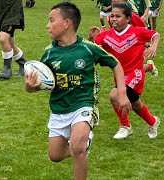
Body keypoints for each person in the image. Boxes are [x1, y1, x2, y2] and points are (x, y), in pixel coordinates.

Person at [25, 2, 131, 179]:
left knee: (77, 147)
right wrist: (30, 86)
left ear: (67, 23)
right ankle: (81, 146)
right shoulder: (49, 53)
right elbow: (38, 84)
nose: (47, 25)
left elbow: (116, 64)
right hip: (59, 109)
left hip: (84, 104)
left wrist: (121, 92)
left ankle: (80, 147)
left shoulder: (88, 49)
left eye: (51, 20)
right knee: (55, 155)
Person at [89, 3, 161, 139]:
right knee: (136, 104)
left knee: (114, 95)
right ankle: (153, 121)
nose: (113, 19)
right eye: (112, 16)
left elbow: (155, 35)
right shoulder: (106, 36)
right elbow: (92, 49)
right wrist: (91, 38)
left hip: (136, 74)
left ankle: (125, 126)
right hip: (120, 76)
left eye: (118, 16)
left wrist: (154, 46)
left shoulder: (137, 32)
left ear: (128, 18)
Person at [109, 0, 159, 77]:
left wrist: (146, 44)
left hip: (134, 44)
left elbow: (142, 30)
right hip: (121, 45)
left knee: (131, 69)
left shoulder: (133, 16)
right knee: (127, 68)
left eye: (116, 3)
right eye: (113, 4)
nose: (114, 5)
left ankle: (148, 67)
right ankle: (149, 66)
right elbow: (113, 30)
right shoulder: (111, 18)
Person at [0, 0, 27, 80]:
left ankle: (7, 68)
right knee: (10, 42)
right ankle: (23, 64)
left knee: (3, 38)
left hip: (12, 10)